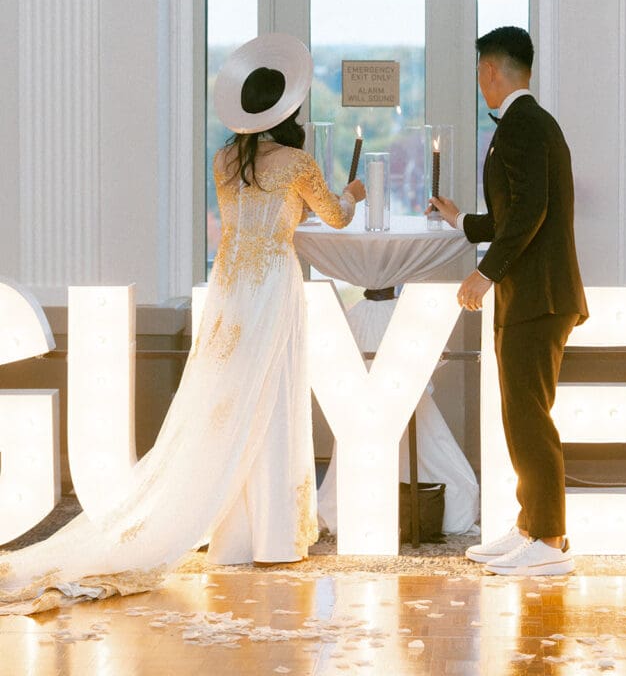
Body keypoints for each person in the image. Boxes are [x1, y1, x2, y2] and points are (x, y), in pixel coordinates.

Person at [0, 33, 364, 614]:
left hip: (228, 291)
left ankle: (234, 536)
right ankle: (271, 534)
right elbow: (336, 218)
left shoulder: (225, 159)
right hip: (271, 285)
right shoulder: (295, 162)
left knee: (222, 403)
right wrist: (353, 189)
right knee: (268, 401)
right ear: (289, 109)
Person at [428, 26, 588, 577]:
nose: (479, 81)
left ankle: (550, 539)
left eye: (479, 71)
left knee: (528, 417)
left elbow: (530, 213)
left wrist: (484, 274)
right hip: (532, 297)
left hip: (539, 297)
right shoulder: (529, 125)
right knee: (519, 416)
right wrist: (459, 220)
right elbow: (506, 216)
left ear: (492, 70)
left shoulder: (523, 126)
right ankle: (530, 527)